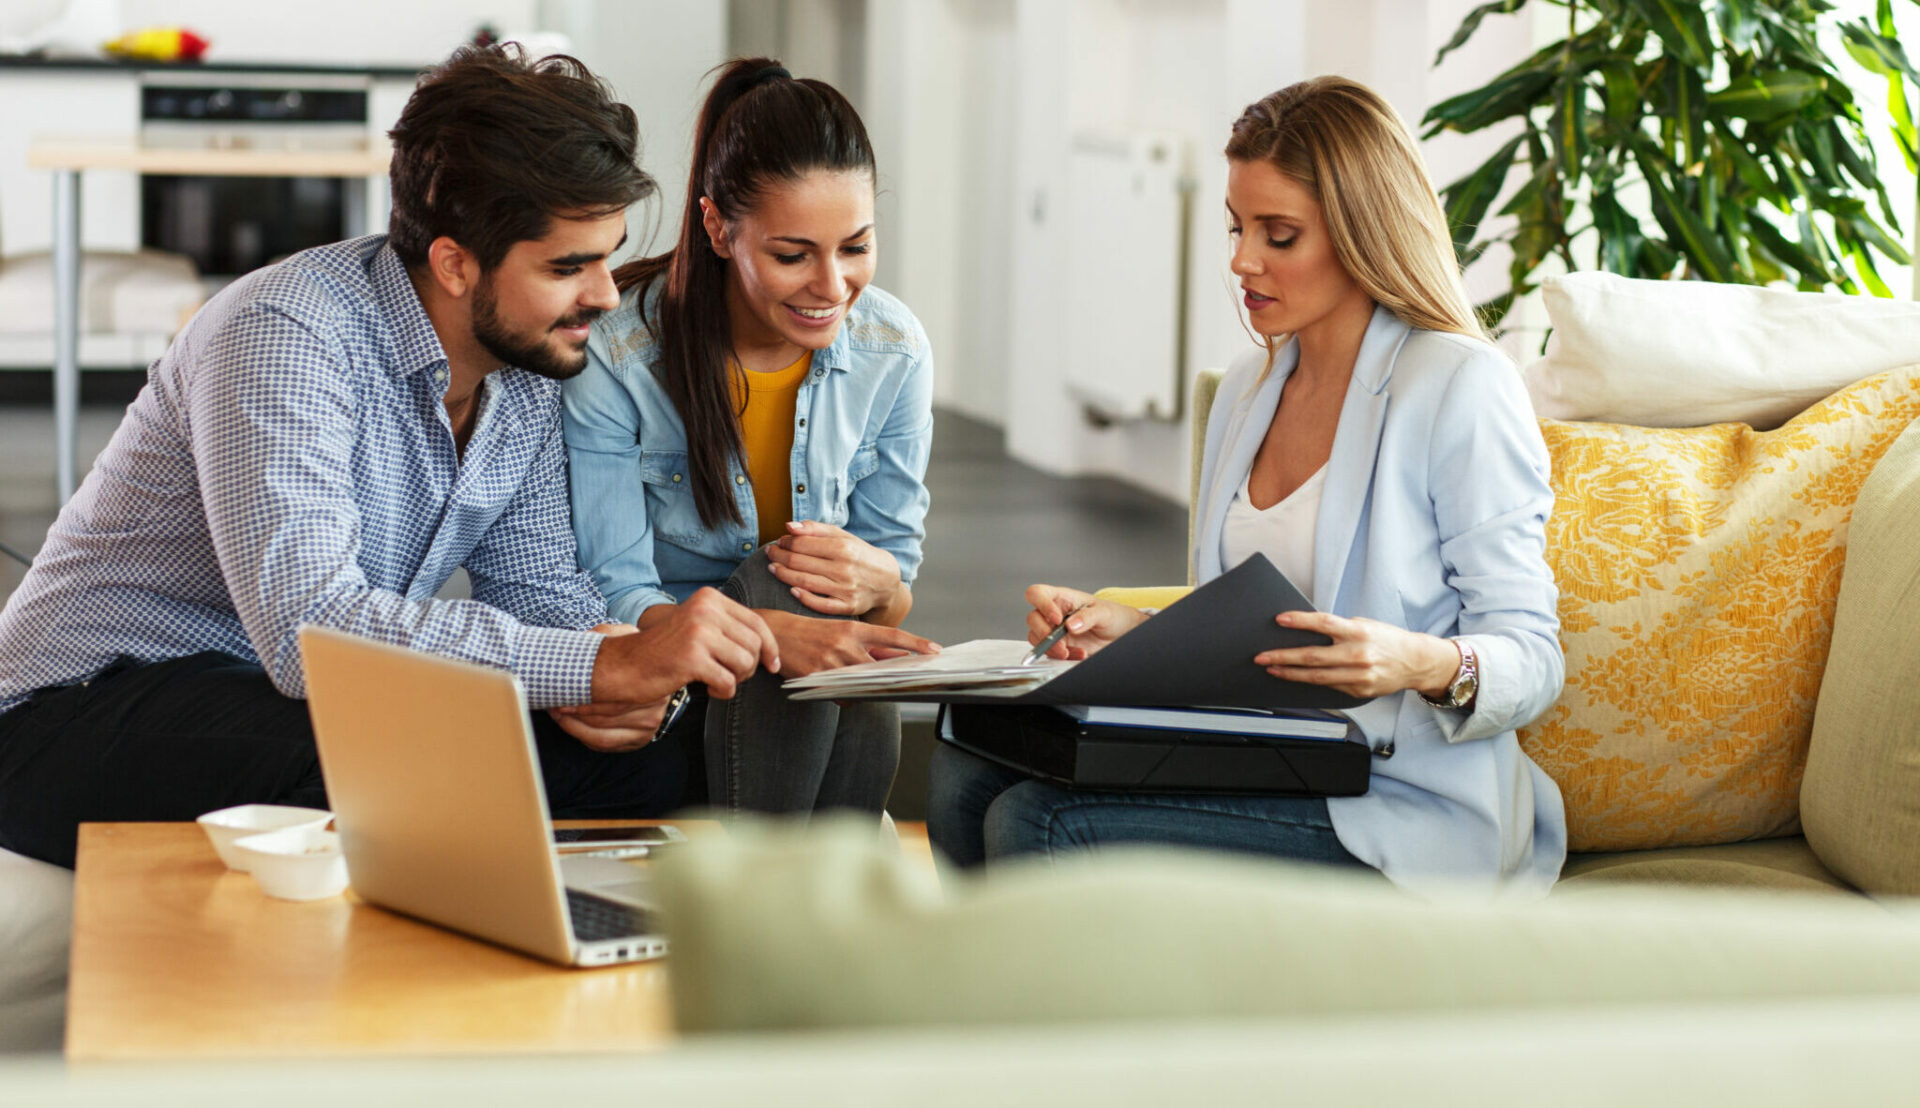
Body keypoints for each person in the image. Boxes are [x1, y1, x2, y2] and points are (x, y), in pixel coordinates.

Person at [0, 45, 779, 869]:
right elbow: (312, 630)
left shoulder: (525, 372)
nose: (604, 294)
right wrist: (595, 663)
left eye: (605, 256)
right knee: (401, 755)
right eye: (567, 266)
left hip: (277, 698)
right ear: (454, 263)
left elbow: (541, 589)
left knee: (656, 760)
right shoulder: (285, 335)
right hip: (77, 709)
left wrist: (624, 684)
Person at [927, 76, 1567, 896]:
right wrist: (1137, 629)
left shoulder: (1458, 387)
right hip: (1266, 762)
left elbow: (1535, 658)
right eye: (1238, 227)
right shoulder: (1247, 388)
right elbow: (1247, 630)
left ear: (1361, 233)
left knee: (1038, 821)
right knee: (962, 776)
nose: (1241, 260)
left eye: (1279, 234)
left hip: (1398, 802)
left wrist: (1417, 662)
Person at [564, 57, 937, 817]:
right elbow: (616, 589)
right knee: (786, 579)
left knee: (828, 587)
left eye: (856, 247)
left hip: (810, 697)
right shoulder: (619, 352)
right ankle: (815, 888)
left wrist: (882, 586)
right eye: (792, 255)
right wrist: (774, 631)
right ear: (718, 228)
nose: (832, 287)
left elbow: (892, 589)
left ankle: (804, 895)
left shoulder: (894, 349)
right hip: (676, 681)